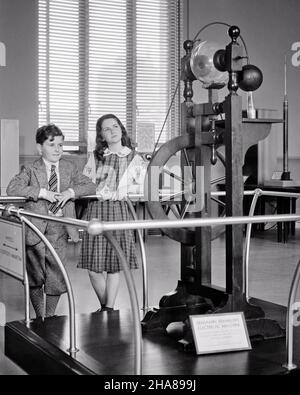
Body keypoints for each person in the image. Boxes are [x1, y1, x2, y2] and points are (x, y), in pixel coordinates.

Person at [6, 124, 96, 319]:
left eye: (61, 145)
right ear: (40, 148)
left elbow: (90, 185)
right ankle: (40, 318)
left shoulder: (69, 168)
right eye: (52, 144)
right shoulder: (31, 169)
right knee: (36, 277)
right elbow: (12, 188)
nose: (57, 149)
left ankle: (50, 317)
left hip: (59, 230)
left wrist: (70, 192)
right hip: (35, 230)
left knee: (56, 277)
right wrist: (43, 193)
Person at [78, 114, 147, 312]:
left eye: (115, 126)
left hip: (119, 210)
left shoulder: (134, 157)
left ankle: (108, 310)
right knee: (93, 269)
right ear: (101, 135)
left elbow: (142, 187)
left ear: (121, 129)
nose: (112, 131)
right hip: (96, 210)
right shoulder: (95, 156)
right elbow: (86, 182)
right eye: (107, 129)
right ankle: (105, 307)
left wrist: (125, 191)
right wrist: (97, 190)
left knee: (114, 265)